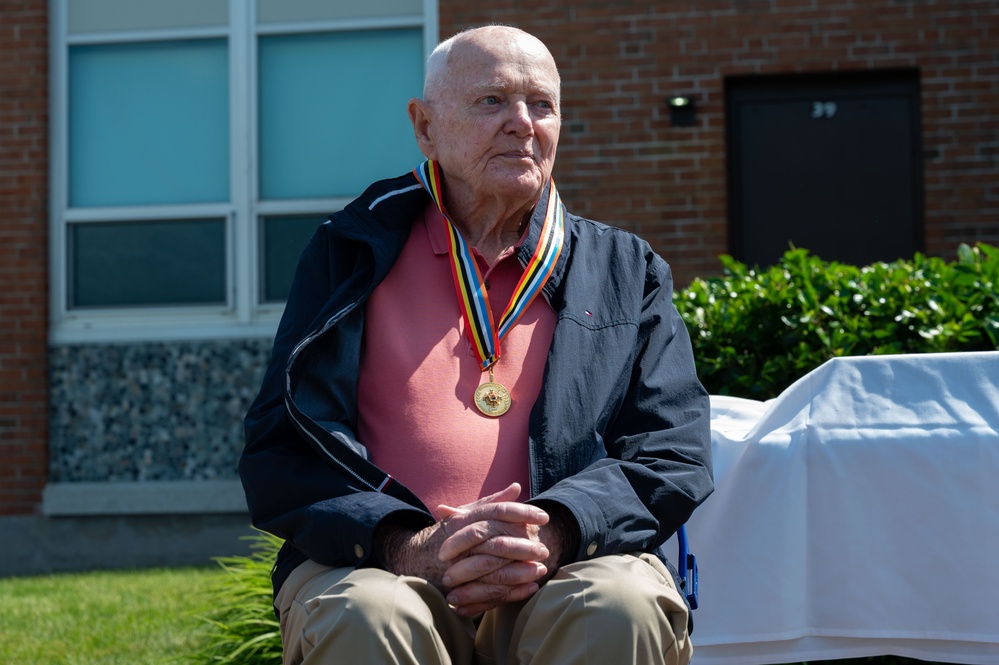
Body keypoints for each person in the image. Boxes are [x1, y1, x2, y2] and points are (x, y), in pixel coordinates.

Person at [240, 24, 713, 665]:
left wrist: (554, 532)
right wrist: (406, 546)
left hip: (570, 567)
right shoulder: (348, 253)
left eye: (541, 104)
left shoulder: (626, 269)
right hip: (387, 568)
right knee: (368, 616)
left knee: (620, 606)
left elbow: (670, 450)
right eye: (491, 101)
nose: (522, 122)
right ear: (425, 126)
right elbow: (281, 450)